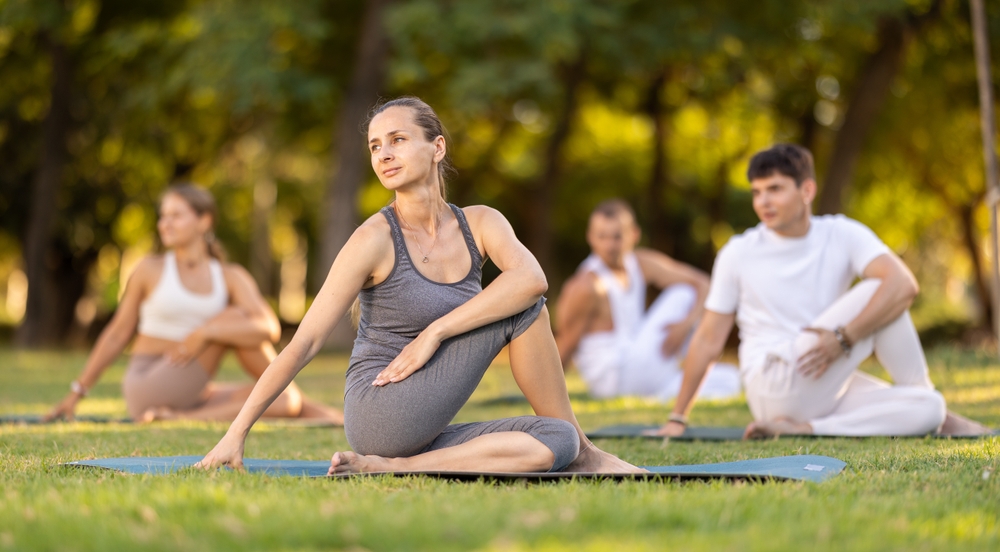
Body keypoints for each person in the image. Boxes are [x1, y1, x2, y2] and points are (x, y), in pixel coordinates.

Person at [197, 97, 642, 475]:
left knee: (554, 438)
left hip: (422, 423)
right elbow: (307, 339)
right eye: (375, 146)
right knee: (524, 308)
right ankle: (589, 457)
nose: (384, 154)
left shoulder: (482, 223)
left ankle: (397, 467)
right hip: (380, 409)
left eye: (398, 140)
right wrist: (235, 435)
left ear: (437, 148)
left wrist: (435, 332)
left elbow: (532, 276)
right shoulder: (373, 238)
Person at [655, 144, 991, 438]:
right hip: (774, 384)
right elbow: (709, 339)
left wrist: (843, 338)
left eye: (774, 189)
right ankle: (930, 406)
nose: (763, 202)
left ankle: (810, 428)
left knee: (928, 407)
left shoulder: (840, 233)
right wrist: (677, 417)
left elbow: (906, 286)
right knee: (883, 286)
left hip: (822, 376)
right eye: (757, 192)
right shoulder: (738, 252)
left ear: (807, 190)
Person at [45, 184, 343, 424]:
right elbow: (116, 334)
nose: (165, 223)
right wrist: (76, 393)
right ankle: (177, 415)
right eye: (163, 216)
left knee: (282, 399)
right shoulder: (150, 269)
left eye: (176, 215)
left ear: (204, 221)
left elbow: (269, 328)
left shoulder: (229, 276)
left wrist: (204, 333)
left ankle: (333, 418)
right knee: (235, 324)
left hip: (191, 387)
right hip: (149, 382)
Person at [555, 199, 741, 401]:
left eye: (617, 237)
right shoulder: (586, 285)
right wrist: (548, 398)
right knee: (684, 293)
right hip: (615, 377)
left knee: (731, 379)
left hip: (641, 361)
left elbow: (704, 284)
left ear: (634, 234)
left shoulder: (640, 263)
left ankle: (666, 391)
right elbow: (564, 343)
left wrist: (685, 325)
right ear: (590, 237)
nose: (609, 246)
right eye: (602, 237)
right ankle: (666, 387)